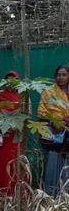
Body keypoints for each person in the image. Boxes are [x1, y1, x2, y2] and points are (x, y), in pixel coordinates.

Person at [0, 71, 27, 194]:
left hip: (16, 137)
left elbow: (26, 118)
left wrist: (16, 125)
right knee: (1, 165)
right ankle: (1, 194)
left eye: (14, 80)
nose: (11, 83)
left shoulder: (23, 98)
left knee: (16, 164)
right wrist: (0, 126)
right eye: (8, 80)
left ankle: (15, 194)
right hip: (2, 137)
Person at [37, 65, 69, 196]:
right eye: (58, 75)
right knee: (52, 161)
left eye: (64, 75)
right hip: (53, 132)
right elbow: (41, 111)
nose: (61, 77)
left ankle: (66, 194)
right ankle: (51, 194)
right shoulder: (48, 92)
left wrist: (65, 121)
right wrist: (55, 122)